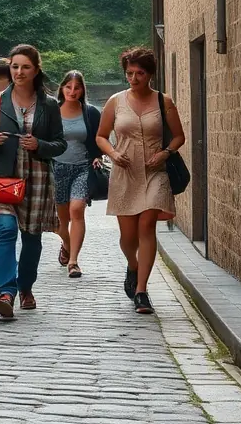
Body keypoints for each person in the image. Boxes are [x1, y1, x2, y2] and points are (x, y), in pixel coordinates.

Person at [0, 44, 65, 320]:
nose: (19, 72)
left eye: (25, 67)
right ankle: (6, 292)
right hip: (3, 176)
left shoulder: (49, 104)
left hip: (37, 177)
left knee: (31, 237)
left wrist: (39, 145)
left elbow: (60, 143)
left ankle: (26, 287)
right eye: (15, 66)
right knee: (4, 230)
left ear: (36, 70)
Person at [97, 47, 185, 314]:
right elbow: (101, 136)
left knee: (147, 226)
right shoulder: (115, 101)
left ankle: (141, 291)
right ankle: (133, 266)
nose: (133, 78)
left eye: (139, 74)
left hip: (155, 171)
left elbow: (179, 136)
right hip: (125, 174)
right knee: (128, 238)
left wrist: (165, 153)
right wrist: (113, 153)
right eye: (129, 73)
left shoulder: (163, 101)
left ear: (150, 75)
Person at [53, 71, 103, 279]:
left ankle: (73, 261)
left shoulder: (90, 113)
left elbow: (99, 138)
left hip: (82, 167)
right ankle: (66, 244)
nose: (72, 91)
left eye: (77, 88)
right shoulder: (52, 111)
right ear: (62, 88)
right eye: (68, 87)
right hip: (56, 168)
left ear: (83, 90)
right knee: (61, 220)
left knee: (76, 210)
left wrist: (98, 156)